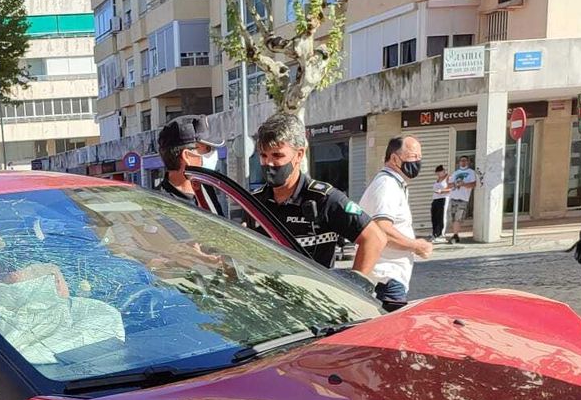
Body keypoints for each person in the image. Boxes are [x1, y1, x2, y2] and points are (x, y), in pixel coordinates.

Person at [249, 113, 387, 278]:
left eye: (277, 155)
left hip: (310, 300)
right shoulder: (254, 202)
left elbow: (374, 238)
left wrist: (355, 285)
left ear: (299, 155)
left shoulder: (324, 199)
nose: (269, 163)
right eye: (263, 156)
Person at [358, 135, 435, 311]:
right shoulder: (387, 185)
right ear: (394, 158)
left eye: (420, 157)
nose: (418, 161)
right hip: (385, 278)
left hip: (390, 277)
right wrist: (416, 245)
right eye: (413, 156)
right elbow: (382, 230)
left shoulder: (394, 184)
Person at [154, 115, 223, 213]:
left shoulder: (206, 190)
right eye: (207, 149)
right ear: (187, 156)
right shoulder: (159, 204)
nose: (213, 154)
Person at [446, 155, 477, 243]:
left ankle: (455, 236)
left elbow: (473, 184)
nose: (463, 162)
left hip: (463, 199)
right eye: (461, 161)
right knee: (453, 218)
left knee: (458, 218)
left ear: (468, 162)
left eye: (464, 160)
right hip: (453, 197)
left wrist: (463, 184)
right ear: (459, 163)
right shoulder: (456, 173)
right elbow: (449, 185)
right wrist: (455, 184)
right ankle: (455, 235)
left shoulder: (471, 172)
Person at [430, 166, 450, 241]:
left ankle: (441, 234)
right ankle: (435, 233)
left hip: (443, 198)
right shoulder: (438, 179)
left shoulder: (448, 178)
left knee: (441, 216)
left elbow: (452, 188)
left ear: (443, 171)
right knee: (434, 217)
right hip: (435, 198)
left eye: (439, 173)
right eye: (437, 173)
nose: (438, 174)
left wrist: (442, 191)